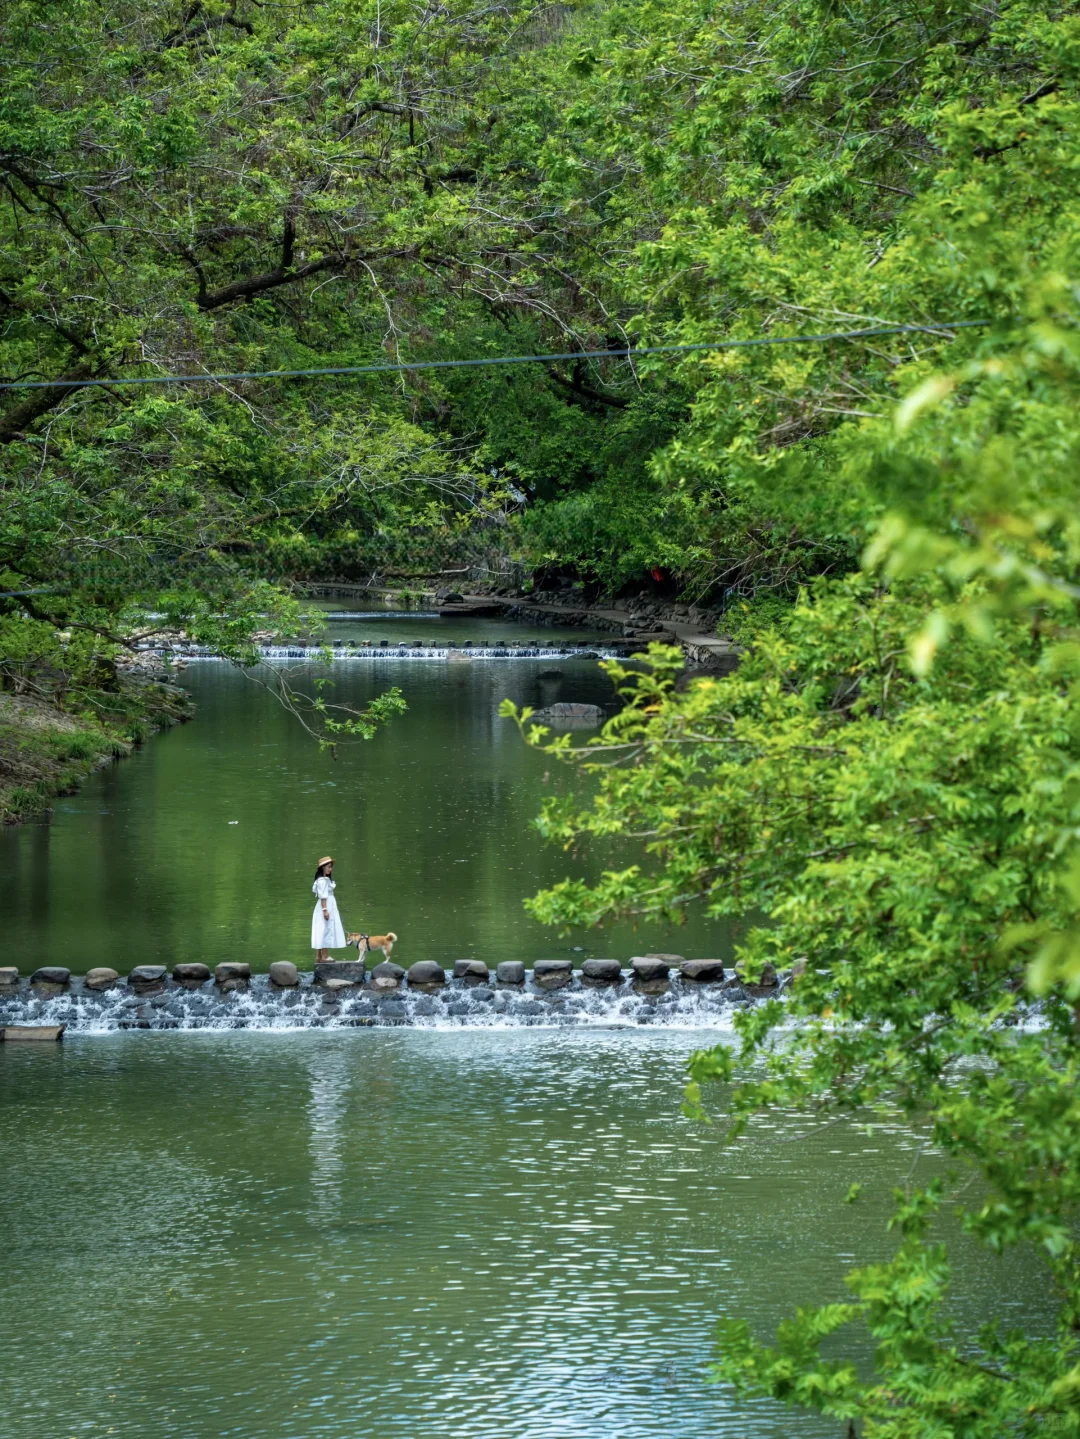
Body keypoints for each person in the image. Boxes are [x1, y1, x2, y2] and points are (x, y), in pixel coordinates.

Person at [311, 856, 346, 962]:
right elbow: (323, 897)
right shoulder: (322, 881)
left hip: (326, 906)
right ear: (323, 867)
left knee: (321, 930)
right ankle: (324, 956)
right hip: (325, 907)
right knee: (325, 929)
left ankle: (318, 956)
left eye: (331, 867)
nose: (330, 869)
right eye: (329, 867)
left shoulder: (322, 880)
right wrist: (325, 910)